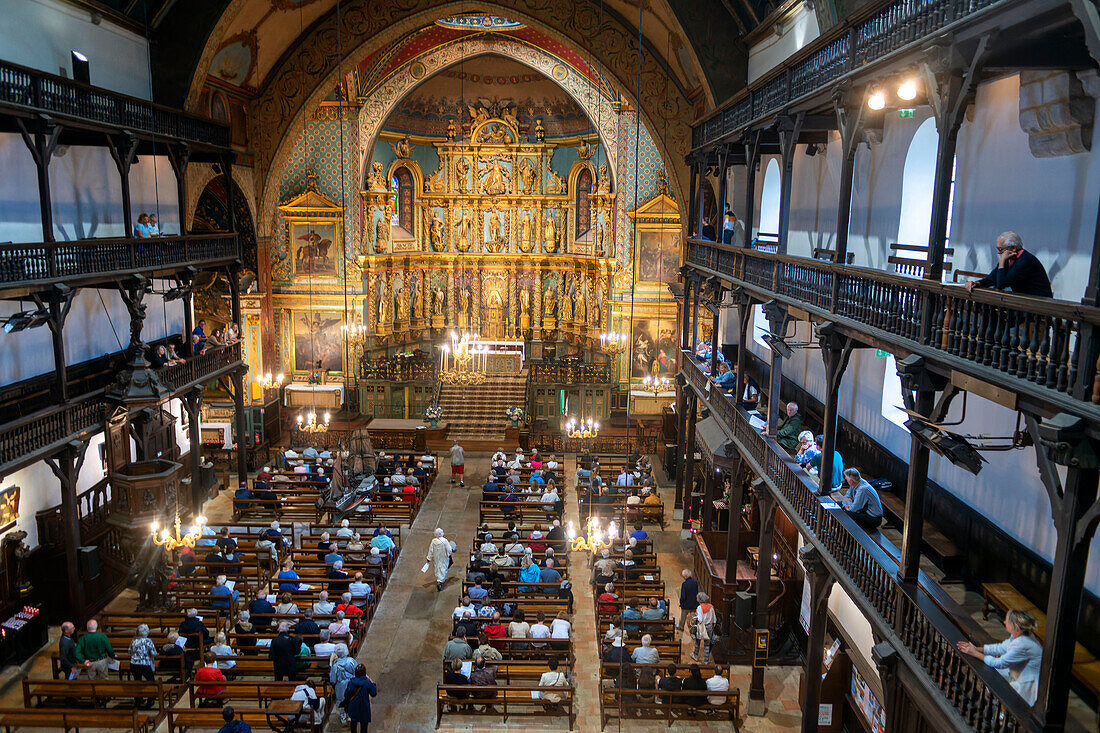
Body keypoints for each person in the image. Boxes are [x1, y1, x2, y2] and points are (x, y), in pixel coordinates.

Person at [957, 609, 1042, 704]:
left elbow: (999, 663)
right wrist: (976, 649)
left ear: (1015, 626)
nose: (1004, 622)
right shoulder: (1019, 635)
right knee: (989, 672)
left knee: (1011, 704)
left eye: (1007, 621)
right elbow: (1000, 648)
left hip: (1026, 682)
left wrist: (974, 653)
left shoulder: (1023, 644)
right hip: (1018, 671)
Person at [965, 231, 1053, 298]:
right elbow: (991, 279)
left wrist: (1002, 261)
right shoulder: (1009, 258)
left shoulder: (1025, 260)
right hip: (1024, 302)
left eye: (1001, 249)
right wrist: (976, 283)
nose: (998, 253)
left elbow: (1001, 284)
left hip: (1037, 305)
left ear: (1013, 248)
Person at [340, 664, 377, 733]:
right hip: (364, 707)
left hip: (353, 707)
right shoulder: (367, 683)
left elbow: (346, 694)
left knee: (353, 726)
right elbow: (373, 693)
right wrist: (373, 683)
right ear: (364, 673)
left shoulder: (351, 682)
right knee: (364, 728)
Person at [330, 644, 358, 722]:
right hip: (351, 684)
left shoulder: (335, 666)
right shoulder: (351, 661)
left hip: (340, 686)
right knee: (351, 699)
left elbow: (332, 679)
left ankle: (343, 716)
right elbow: (357, 672)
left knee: (341, 701)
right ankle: (350, 716)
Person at [692, 592, 718, 664]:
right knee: (707, 644)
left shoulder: (700, 608)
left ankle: (695, 655)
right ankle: (706, 660)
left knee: (698, 641)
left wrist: (696, 616)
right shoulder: (711, 607)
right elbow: (714, 619)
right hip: (709, 626)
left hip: (702, 626)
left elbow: (700, 619)